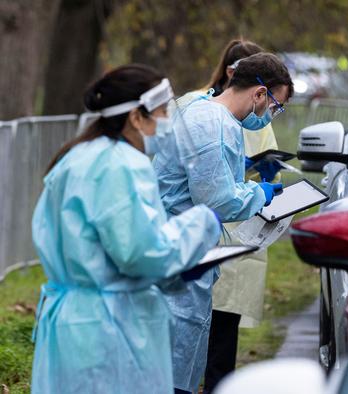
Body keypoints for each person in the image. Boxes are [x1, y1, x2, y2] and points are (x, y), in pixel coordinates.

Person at [30, 64, 221, 394]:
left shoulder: (77, 156)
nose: (167, 121)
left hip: (75, 323)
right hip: (110, 328)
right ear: (136, 116)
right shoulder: (122, 166)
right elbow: (143, 254)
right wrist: (199, 226)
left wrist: (174, 274)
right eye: (162, 111)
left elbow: (113, 243)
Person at [152, 52, 293, 394]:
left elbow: (208, 180)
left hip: (182, 249)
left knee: (179, 357)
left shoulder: (204, 109)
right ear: (259, 94)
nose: (270, 115)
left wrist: (245, 181)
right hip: (181, 256)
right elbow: (216, 200)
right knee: (173, 365)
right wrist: (258, 195)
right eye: (275, 106)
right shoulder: (215, 124)